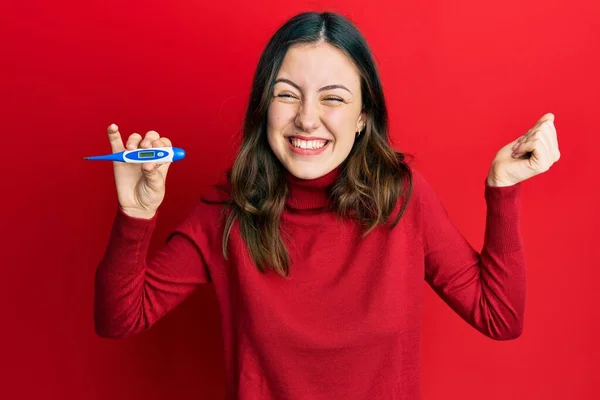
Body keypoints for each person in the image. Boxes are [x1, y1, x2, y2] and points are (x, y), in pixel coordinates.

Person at [93, 11, 560, 400]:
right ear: (263, 107)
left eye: (332, 99)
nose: (306, 118)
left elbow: (499, 317)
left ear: (362, 116)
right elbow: (119, 318)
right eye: (286, 94)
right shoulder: (226, 213)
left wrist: (503, 187)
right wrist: (136, 214)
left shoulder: (402, 198)